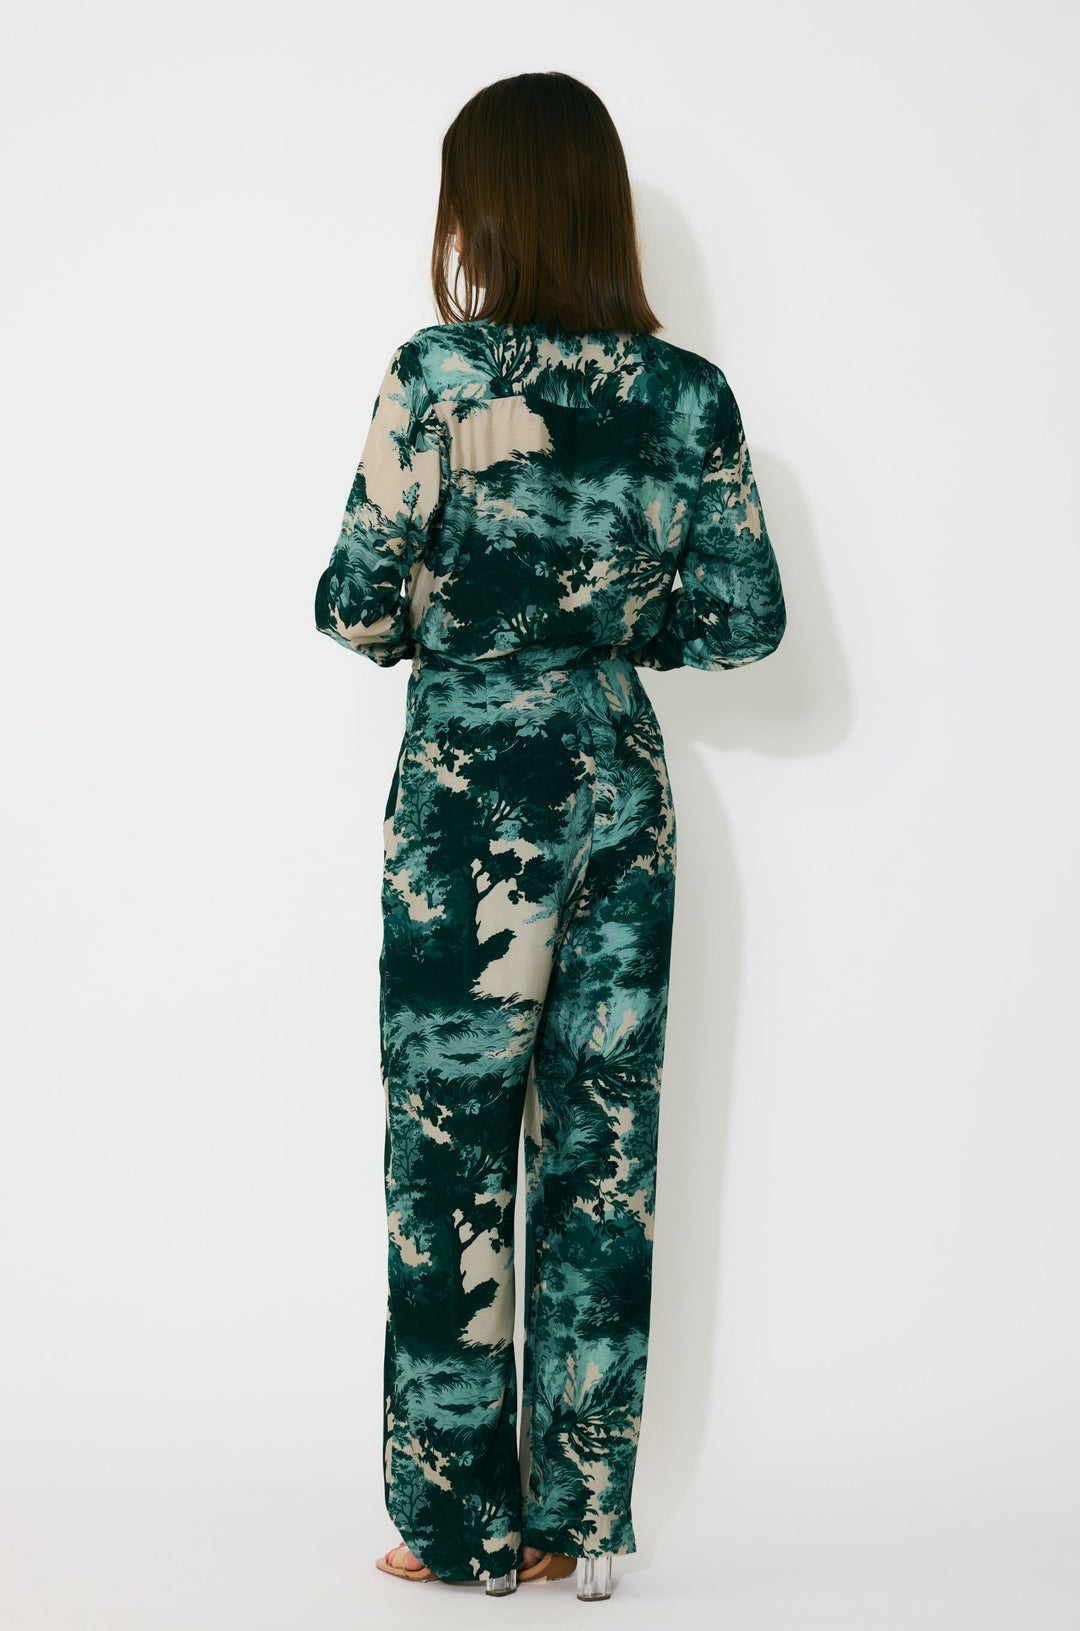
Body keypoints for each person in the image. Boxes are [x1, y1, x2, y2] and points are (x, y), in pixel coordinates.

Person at [312, 69, 787, 1601]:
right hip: (623, 793)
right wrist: (609, 626)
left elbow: (354, 607)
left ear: (487, 209)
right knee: (604, 1153)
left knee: (449, 1153)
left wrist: (468, 627)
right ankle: (581, 1520)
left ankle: (460, 1527)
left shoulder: (441, 376)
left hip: (474, 800)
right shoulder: (691, 396)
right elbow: (742, 623)